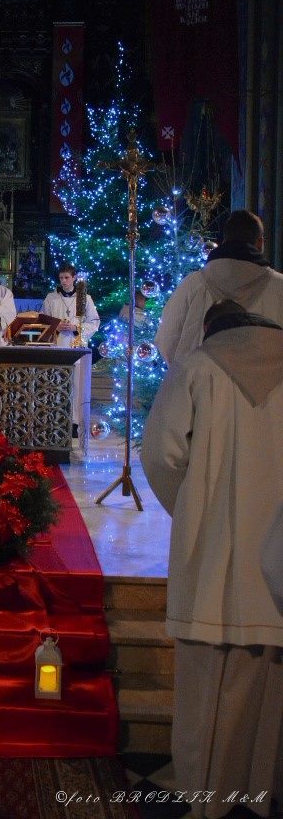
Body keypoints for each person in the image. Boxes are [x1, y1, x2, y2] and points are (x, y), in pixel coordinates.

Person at [141, 299, 283, 817]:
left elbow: (160, 454)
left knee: (205, 700)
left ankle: (206, 802)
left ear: (210, 330)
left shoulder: (196, 368)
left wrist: (192, 509)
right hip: (277, 574)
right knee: (268, 707)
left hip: (211, 562)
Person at [156, 209, 283, 365]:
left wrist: (187, 370)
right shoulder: (279, 287)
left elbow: (166, 339)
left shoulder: (192, 284)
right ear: (260, 242)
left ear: (224, 240)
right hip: (265, 380)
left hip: (201, 378)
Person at [42, 264, 100, 435]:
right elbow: (43, 320)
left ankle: (74, 423)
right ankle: (55, 419)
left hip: (76, 345)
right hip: (57, 345)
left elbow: (94, 322)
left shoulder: (84, 298)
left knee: (76, 385)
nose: (64, 281)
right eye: (61, 278)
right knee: (56, 383)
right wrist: (56, 326)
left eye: (67, 277)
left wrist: (75, 327)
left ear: (74, 278)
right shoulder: (51, 298)